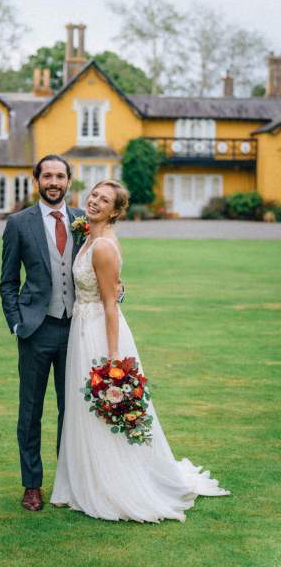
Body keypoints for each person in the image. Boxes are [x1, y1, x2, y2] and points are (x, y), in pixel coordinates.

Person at [51, 179, 231, 522]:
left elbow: (110, 306)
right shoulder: (88, 235)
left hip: (98, 335)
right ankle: (80, 483)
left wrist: (113, 362)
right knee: (82, 411)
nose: (94, 202)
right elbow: (115, 291)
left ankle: (111, 486)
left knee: (100, 411)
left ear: (116, 211)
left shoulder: (103, 246)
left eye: (104, 200)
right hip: (82, 327)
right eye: (93, 195)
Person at [0, 154, 84, 512]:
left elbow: (100, 265)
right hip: (36, 330)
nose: (53, 182)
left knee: (74, 412)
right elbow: (7, 282)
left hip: (77, 329)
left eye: (59, 176)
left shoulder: (84, 220)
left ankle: (68, 484)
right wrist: (18, 323)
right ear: (37, 181)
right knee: (31, 411)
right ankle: (32, 485)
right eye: (47, 175)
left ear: (68, 181)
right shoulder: (19, 223)